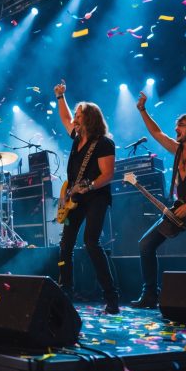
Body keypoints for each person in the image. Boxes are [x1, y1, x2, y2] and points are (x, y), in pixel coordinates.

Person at [130, 93, 186, 308]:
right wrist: (142, 109)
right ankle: (150, 294)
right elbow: (156, 132)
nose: (176, 129)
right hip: (180, 209)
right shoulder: (177, 150)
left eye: (182, 125)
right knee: (145, 245)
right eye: (177, 125)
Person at [54, 82, 119, 314]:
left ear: (89, 119)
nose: (75, 118)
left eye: (79, 115)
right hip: (75, 198)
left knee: (91, 242)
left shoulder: (103, 143)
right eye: (76, 115)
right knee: (65, 246)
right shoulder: (76, 138)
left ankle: (111, 297)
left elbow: (108, 174)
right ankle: (65, 290)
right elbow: (64, 118)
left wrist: (89, 186)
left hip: (96, 197)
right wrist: (61, 96)